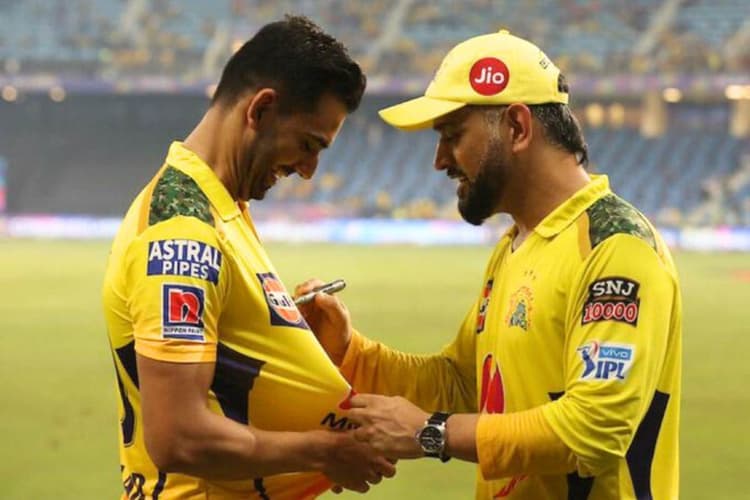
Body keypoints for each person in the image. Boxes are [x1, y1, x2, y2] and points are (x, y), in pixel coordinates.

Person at [297, 29, 681, 499]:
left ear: (517, 128)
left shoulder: (615, 245)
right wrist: (350, 351)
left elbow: (595, 428)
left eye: (453, 136)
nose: (440, 160)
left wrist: (431, 432)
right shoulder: (516, 245)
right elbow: (460, 383)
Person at [101, 16, 395, 499]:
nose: (308, 170)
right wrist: (324, 451)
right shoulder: (183, 233)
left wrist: (278, 337)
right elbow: (179, 437)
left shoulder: (222, 205)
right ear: (261, 109)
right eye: (308, 144)